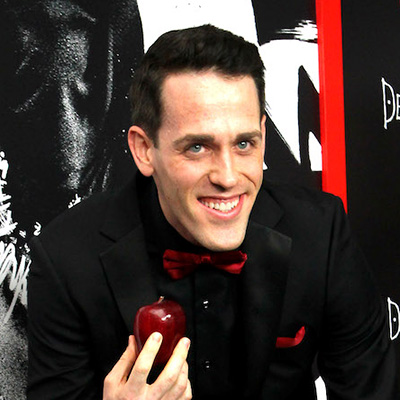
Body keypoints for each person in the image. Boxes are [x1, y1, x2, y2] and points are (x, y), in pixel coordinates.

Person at [27, 25, 399, 400]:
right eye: (197, 147)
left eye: (244, 143)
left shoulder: (320, 231)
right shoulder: (65, 260)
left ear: (263, 135)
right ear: (144, 150)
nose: (228, 177)